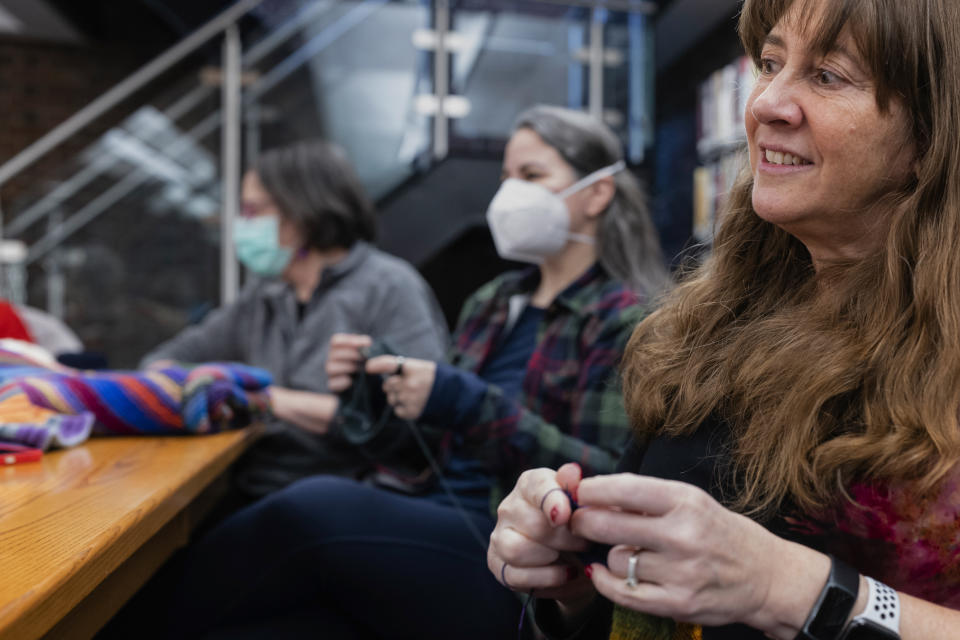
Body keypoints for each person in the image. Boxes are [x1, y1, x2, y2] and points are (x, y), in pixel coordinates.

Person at [488, 1, 960, 639]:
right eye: (769, 64)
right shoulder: (706, 327)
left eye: (829, 76)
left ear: (931, 131)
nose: (767, 104)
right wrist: (577, 574)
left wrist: (787, 586)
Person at [158, 105, 672, 640]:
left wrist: (466, 401)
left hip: (513, 555)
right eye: (506, 177)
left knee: (307, 509)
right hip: (432, 514)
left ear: (597, 194)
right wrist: (377, 394)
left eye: (532, 176)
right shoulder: (492, 303)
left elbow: (606, 482)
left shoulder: (627, 320)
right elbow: (420, 449)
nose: (509, 194)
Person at [140, 139, 448, 500]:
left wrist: (259, 398)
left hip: (346, 494)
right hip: (259, 482)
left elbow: (424, 418)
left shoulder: (389, 286)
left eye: (253, 211)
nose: (243, 225)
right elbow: (160, 363)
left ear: (302, 210)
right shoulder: (265, 295)